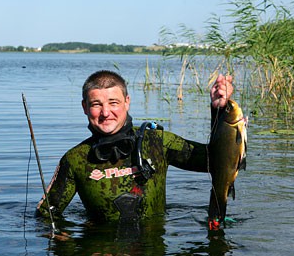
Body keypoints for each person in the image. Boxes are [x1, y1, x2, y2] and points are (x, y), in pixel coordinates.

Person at [36, 70, 234, 223]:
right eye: (96, 104)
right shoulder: (75, 159)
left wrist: (219, 111)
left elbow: (215, 161)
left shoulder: (157, 142)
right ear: (85, 107)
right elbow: (46, 217)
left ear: (127, 102)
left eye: (113, 102)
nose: (106, 112)